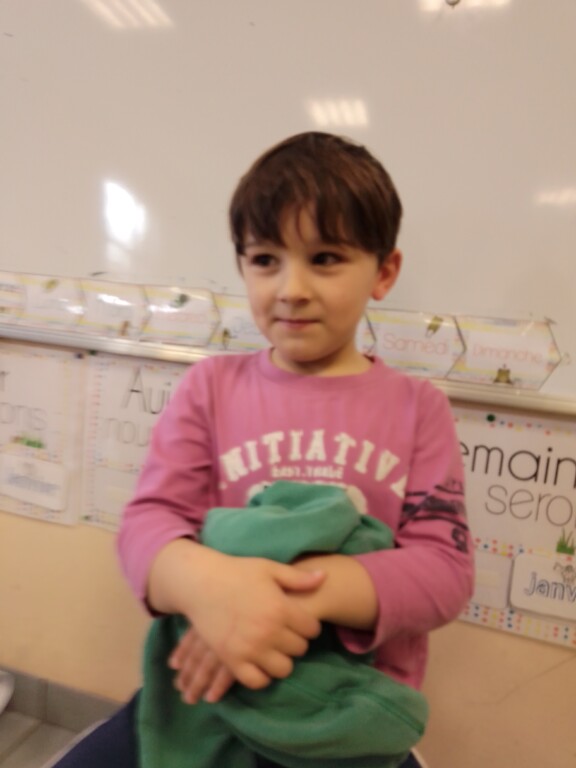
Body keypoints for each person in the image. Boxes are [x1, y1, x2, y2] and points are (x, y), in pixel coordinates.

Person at [51, 131, 474, 768]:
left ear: (384, 272)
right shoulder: (210, 388)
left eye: (325, 258)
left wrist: (275, 601)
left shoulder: (419, 408)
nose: (290, 287)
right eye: (265, 259)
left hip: (346, 711)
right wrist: (209, 589)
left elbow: (444, 571)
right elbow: (147, 525)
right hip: (205, 697)